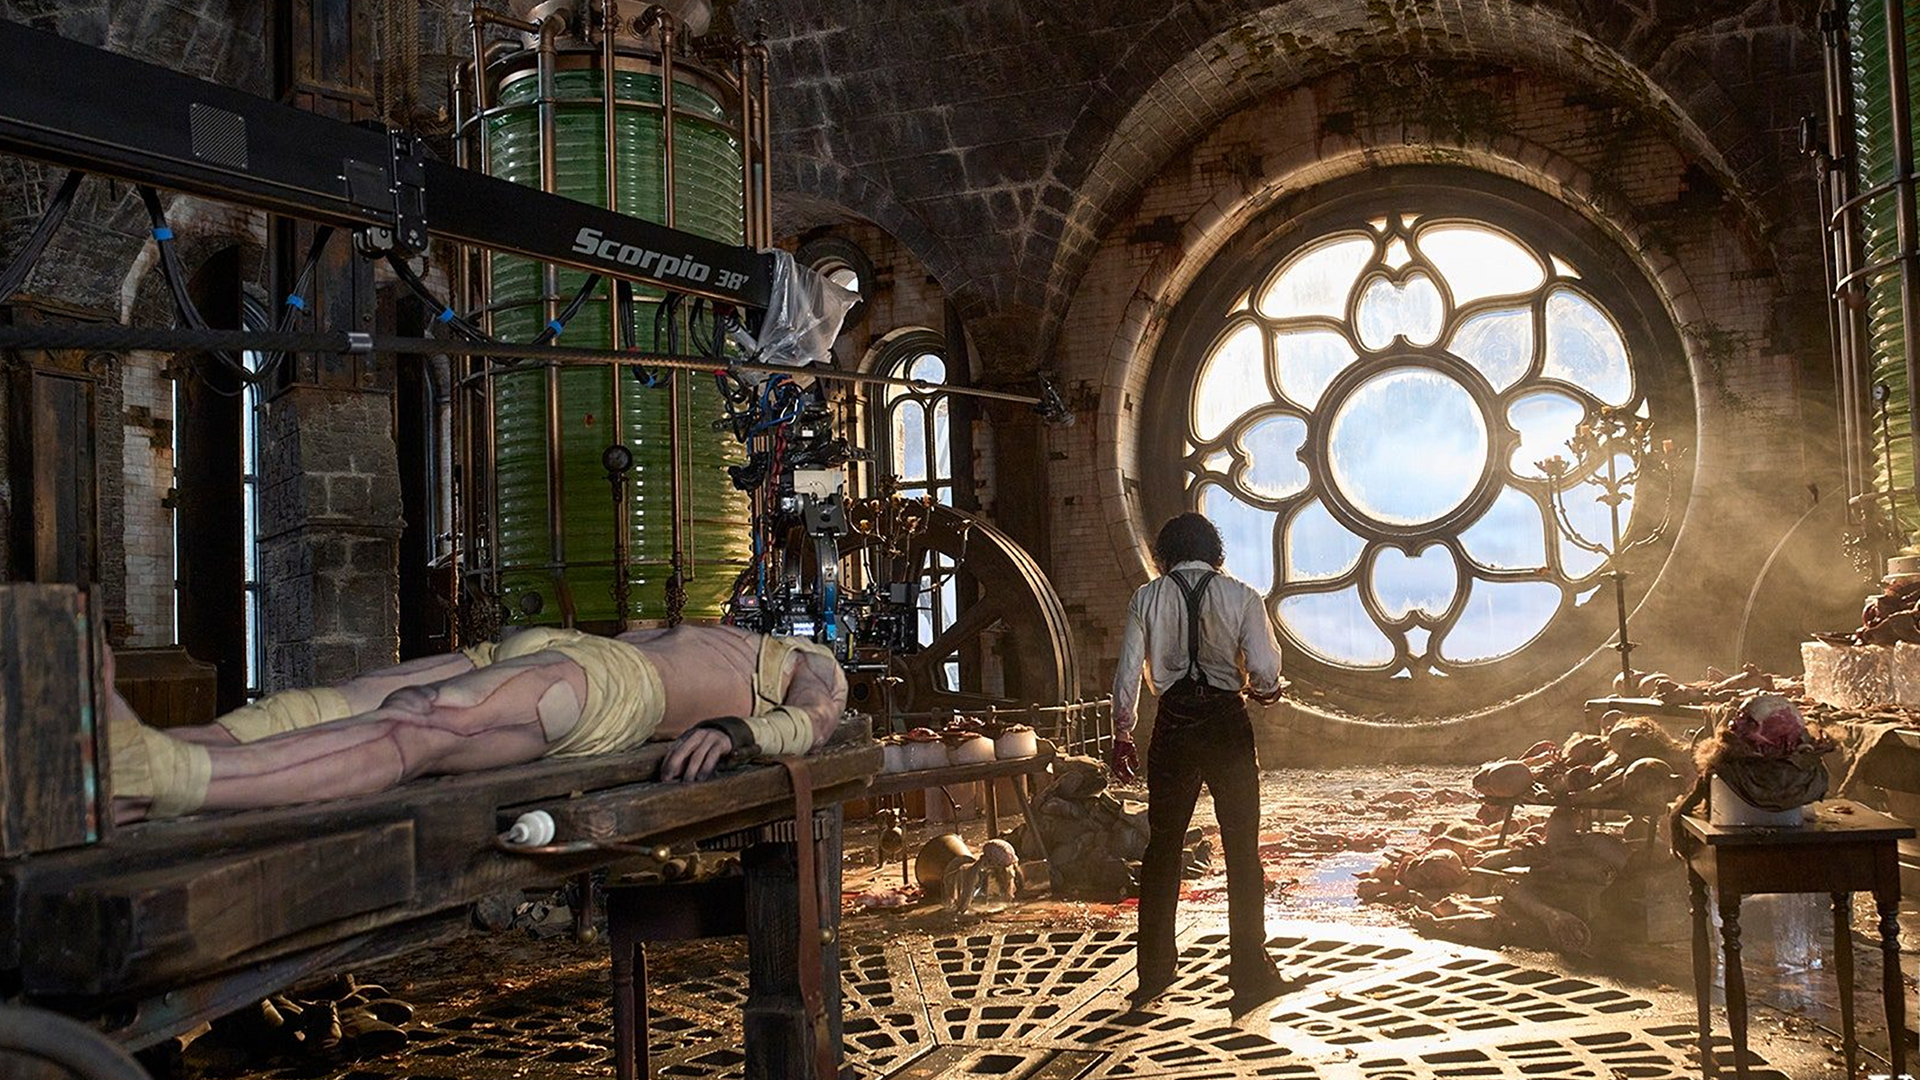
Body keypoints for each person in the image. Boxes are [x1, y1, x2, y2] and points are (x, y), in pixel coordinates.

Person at [107, 624, 848, 823]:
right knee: (338, 699)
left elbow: (812, 720)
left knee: (429, 724)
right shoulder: (759, 638)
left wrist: (740, 733)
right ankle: (132, 758)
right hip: (558, 646)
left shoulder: (821, 666)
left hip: (616, 689)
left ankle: (165, 780)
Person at [1110, 512, 1289, 1014]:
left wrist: (1123, 735)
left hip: (1172, 727)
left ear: (1164, 556)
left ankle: (1153, 972)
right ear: (1217, 553)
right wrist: (1267, 690)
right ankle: (1250, 972)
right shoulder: (1241, 595)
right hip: (1226, 725)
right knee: (1241, 850)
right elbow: (1266, 669)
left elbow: (1127, 673)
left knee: (1162, 849)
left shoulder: (1146, 597)